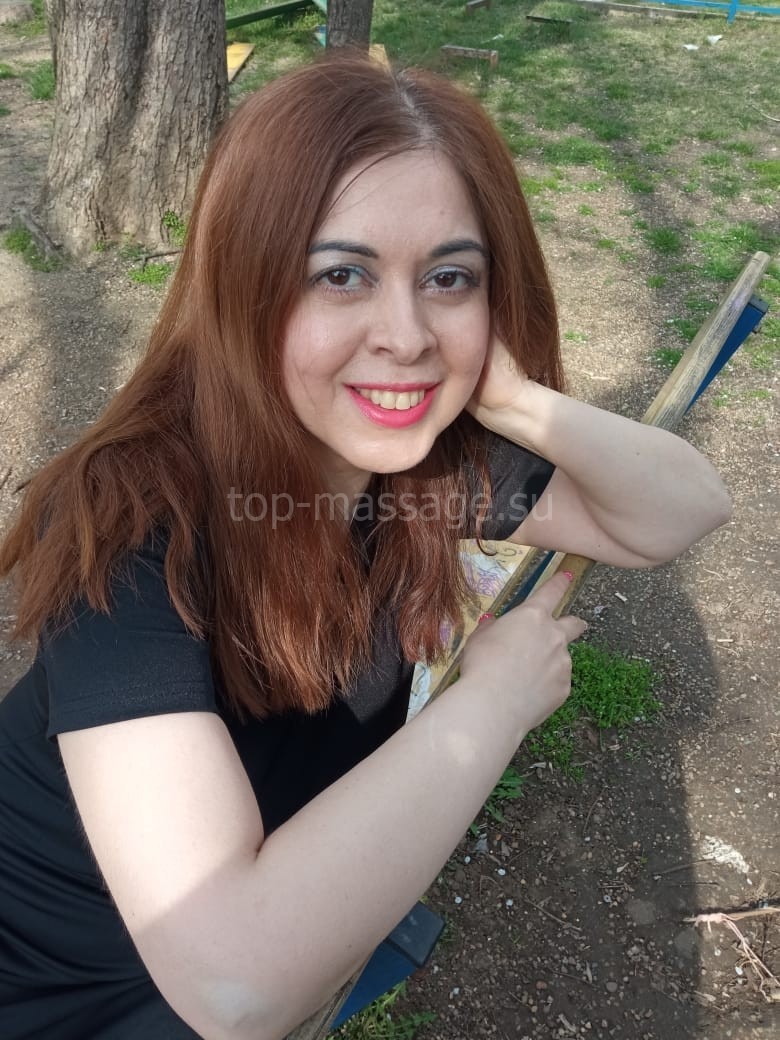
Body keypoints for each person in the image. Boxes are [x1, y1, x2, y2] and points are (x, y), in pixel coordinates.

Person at [0, 53, 730, 1040]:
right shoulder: (130, 526)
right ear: (247, 286)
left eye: (449, 278)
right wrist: (493, 702)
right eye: (341, 274)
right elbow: (233, 983)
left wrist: (513, 395)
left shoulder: (411, 459)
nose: (406, 333)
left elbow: (681, 508)